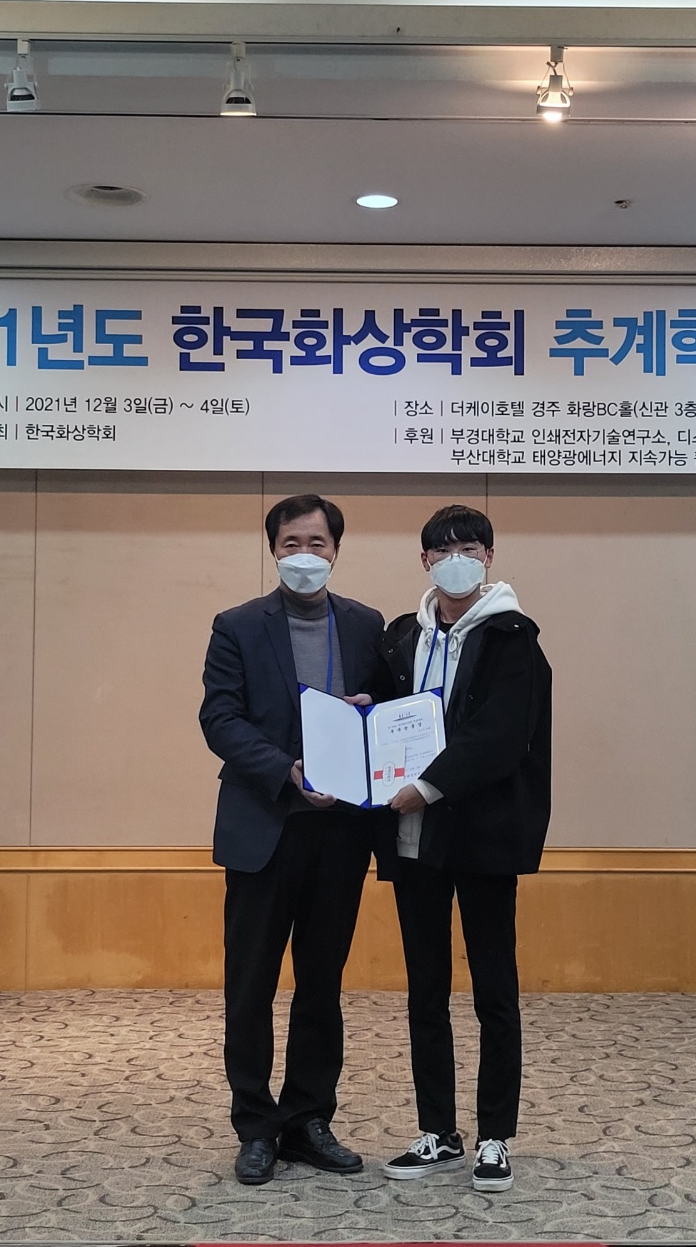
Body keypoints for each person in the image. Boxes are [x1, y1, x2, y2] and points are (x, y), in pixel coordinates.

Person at [199, 494, 384, 1187]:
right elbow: (220, 718)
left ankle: (308, 1119)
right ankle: (255, 1125)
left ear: (336, 550)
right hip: (265, 828)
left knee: (321, 985)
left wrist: (372, 712)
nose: (305, 554)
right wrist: (286, 771)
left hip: (340, 835)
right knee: (249, 987)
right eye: (290, 543)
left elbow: (386, 712)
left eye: (317, 542)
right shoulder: (238, 626)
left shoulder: (366, 624)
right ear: (273, 550)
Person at [372, 504, 551, 1193]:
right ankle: (438, 1131)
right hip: (414, 839)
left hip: (482, 838)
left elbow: (499, 738)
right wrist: (362, 714)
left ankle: (495, 1137)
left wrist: (426, 786)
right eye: (443, 550)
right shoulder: (401, 636)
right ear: (424, 561)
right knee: (425, 989)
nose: (457, 560)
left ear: (489, 558)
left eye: (470, 549)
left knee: (493, 989)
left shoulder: (513, 638)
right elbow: (384, 715)